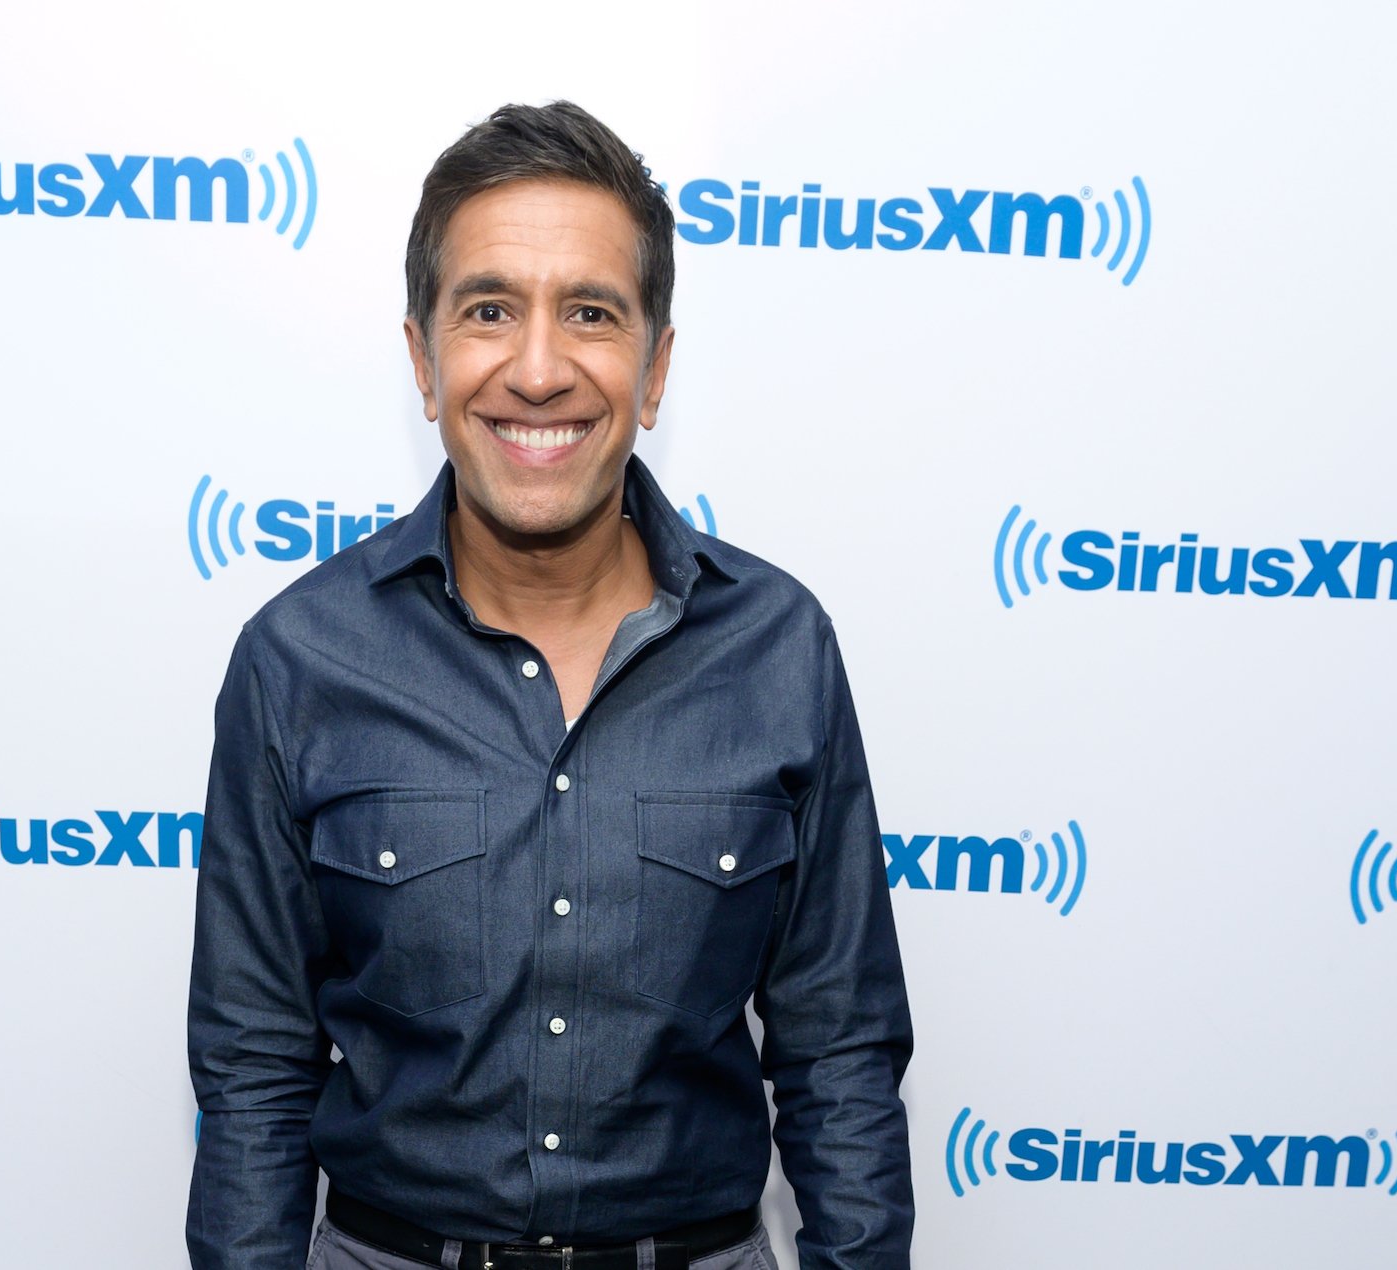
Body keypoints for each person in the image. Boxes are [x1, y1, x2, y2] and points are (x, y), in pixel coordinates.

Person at [186, 100, 913, 1270]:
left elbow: (838, 1054)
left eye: (589, 313)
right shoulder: (298, 658)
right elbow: (254, 1069)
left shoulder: (778, 646)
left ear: (654, 364)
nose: (536, 369)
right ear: (423, 360)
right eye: (487, 311)